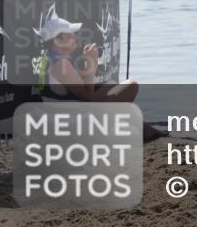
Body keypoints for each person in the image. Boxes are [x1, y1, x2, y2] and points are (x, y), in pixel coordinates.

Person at [35, 10, 163, 140]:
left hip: (59, 117)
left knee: (110, 86)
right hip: (70, 125)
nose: (75, 37)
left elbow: (74, 89)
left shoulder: (48, 58)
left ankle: (145, 129)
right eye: (70, 34)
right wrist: (91, 63)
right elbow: (88, 97)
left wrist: (89, 64)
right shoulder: (60, 64)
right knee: (131, 85)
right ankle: (139, 130)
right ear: (58, 40)